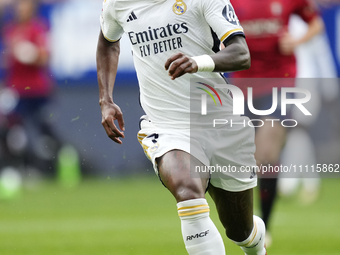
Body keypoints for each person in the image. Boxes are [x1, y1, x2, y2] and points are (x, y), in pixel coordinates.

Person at [97, 0, 267, 254]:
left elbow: (241, 54)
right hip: (166, 124)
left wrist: (199, 62)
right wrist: (106, 100)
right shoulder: (118, 3)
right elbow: (108, 42)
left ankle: (255, 243)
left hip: (220, 122)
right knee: (187, 189)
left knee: (239, 230)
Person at [231, 0, 323, 246]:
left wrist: (296, 41)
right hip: (243, 84)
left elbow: (316, 24)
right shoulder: (230, 2)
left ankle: (263, 225)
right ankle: (245, 220)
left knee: (267, 154)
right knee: (245, 157)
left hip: (279, 81)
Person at [2, 0, 61, 175]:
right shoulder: (10, 30)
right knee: (14, 132)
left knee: (44, 133)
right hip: (17, 90)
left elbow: (45, 57)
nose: (22, 8)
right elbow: (8, 62)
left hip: (37, 90)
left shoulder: (38, 29)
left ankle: (51, 170)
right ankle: (20, 168)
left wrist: (31, 54)